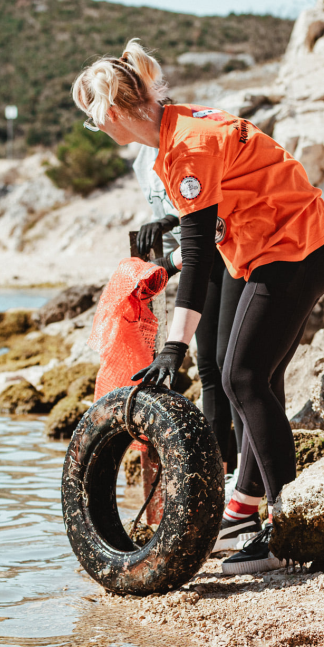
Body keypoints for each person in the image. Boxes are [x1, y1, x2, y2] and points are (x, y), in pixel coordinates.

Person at [73, 40, 324, 575]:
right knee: (256, 375)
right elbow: (206, 235)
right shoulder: (175, 134)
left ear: (118, 112)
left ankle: (284, 530)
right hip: (274, 251)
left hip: (296, 250)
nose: (97, 129)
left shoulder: (185, 148)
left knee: (242, 377)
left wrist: (172, 349)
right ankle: (244, 507)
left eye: (94, 119)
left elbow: (197, 258)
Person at [133, 145, 244, 478]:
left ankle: (246, 469)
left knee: (232, 366)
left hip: (230, 249)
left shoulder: (189, 144)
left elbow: (210, 199)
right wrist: (160, 261)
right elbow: (163, 213)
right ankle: (218, 468)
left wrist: (169, 220)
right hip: (197, 260)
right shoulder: (141, 159)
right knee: (209, 366)